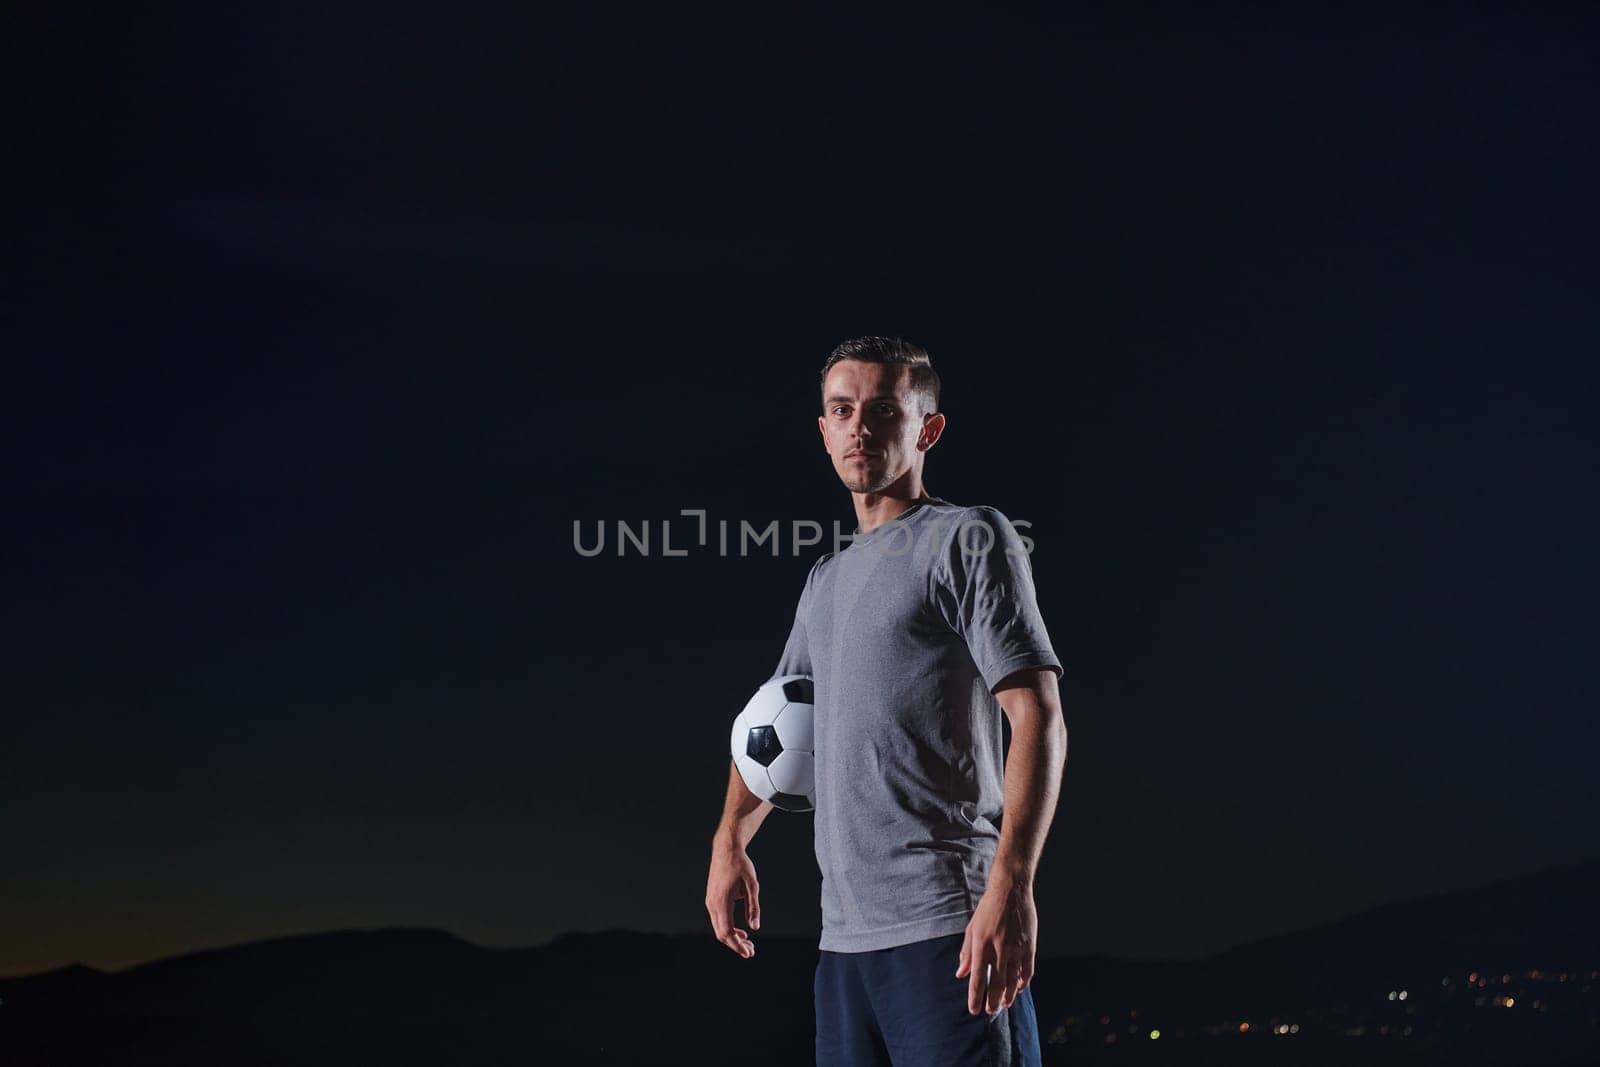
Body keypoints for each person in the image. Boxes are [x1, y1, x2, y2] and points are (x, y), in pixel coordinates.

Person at [705, 336, 1068, 1065]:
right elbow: (771, 728)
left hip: (950, 929)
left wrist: (1012, 885)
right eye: (841, 411)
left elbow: (1038, 715)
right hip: (843, 949)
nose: (858, 428)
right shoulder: (824, 580)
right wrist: (729, 839)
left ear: (927, 428)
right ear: (823, 430)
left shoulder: (967, 538)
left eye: (881, 410)